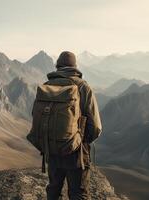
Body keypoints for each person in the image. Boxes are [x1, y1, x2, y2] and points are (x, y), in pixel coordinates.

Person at [41, 51, 102, 199]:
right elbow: (96, 128)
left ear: (57, 66)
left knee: (54, 190)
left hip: (52, 150)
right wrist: (80, 141)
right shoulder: (83, 87)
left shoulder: (47, 86)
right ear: (75, 67)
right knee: (78, 193)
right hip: (76, 154)